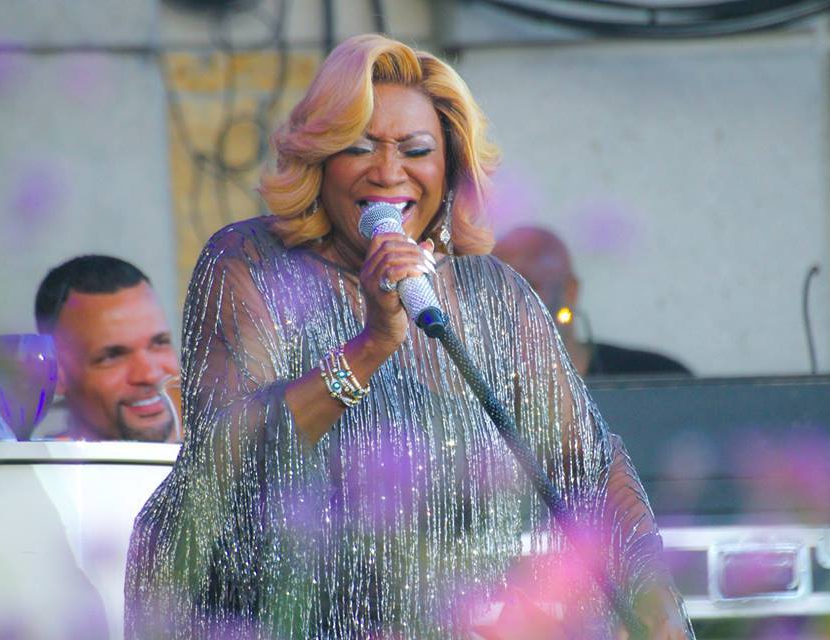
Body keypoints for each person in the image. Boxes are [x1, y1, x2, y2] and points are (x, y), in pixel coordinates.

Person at [126, 34, 693, 639]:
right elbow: (221, 468)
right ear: (319, 159)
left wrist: (656, 608)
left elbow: (588, 467)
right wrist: (372, 345)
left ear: (450, 169)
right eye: (359, 147)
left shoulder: (493, 295)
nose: (388, 172)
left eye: (416, 150)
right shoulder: (249, 263)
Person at [493, 226, 692, 378]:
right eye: (494, 288)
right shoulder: (479, 393)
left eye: (527, 286)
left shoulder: (658, 378)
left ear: (570, 292)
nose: (507, 301)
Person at [34, 255, 181, 442]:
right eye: (113, 356)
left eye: (159, 343)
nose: (149, 375)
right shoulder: (27, 461)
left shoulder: (214, 454)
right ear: (55, 374)